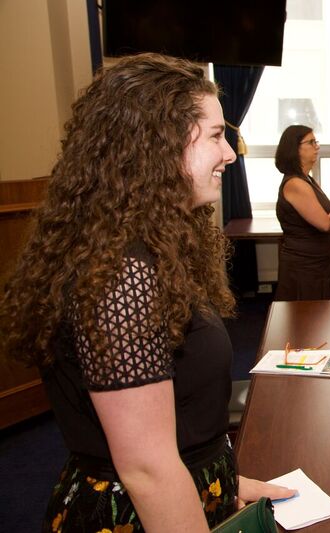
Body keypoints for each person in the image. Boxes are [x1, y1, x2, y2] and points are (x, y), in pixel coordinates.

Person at [0, 53, 294, 531]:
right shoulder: (123, 274)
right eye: (215, 136)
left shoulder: (150, 248)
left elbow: (172, 424)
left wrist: (227, 482)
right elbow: (147, 469)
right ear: (157, 145)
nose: (229, 154)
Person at [275, 125, 330, 301]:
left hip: (318, 262)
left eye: (316, 141)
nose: (317, 146)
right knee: (306, 315)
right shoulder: (296, 184)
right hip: (304, 266)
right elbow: (325, 224)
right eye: (311, 142)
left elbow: (328, 206)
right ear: (295, 149)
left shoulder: (308, 179)